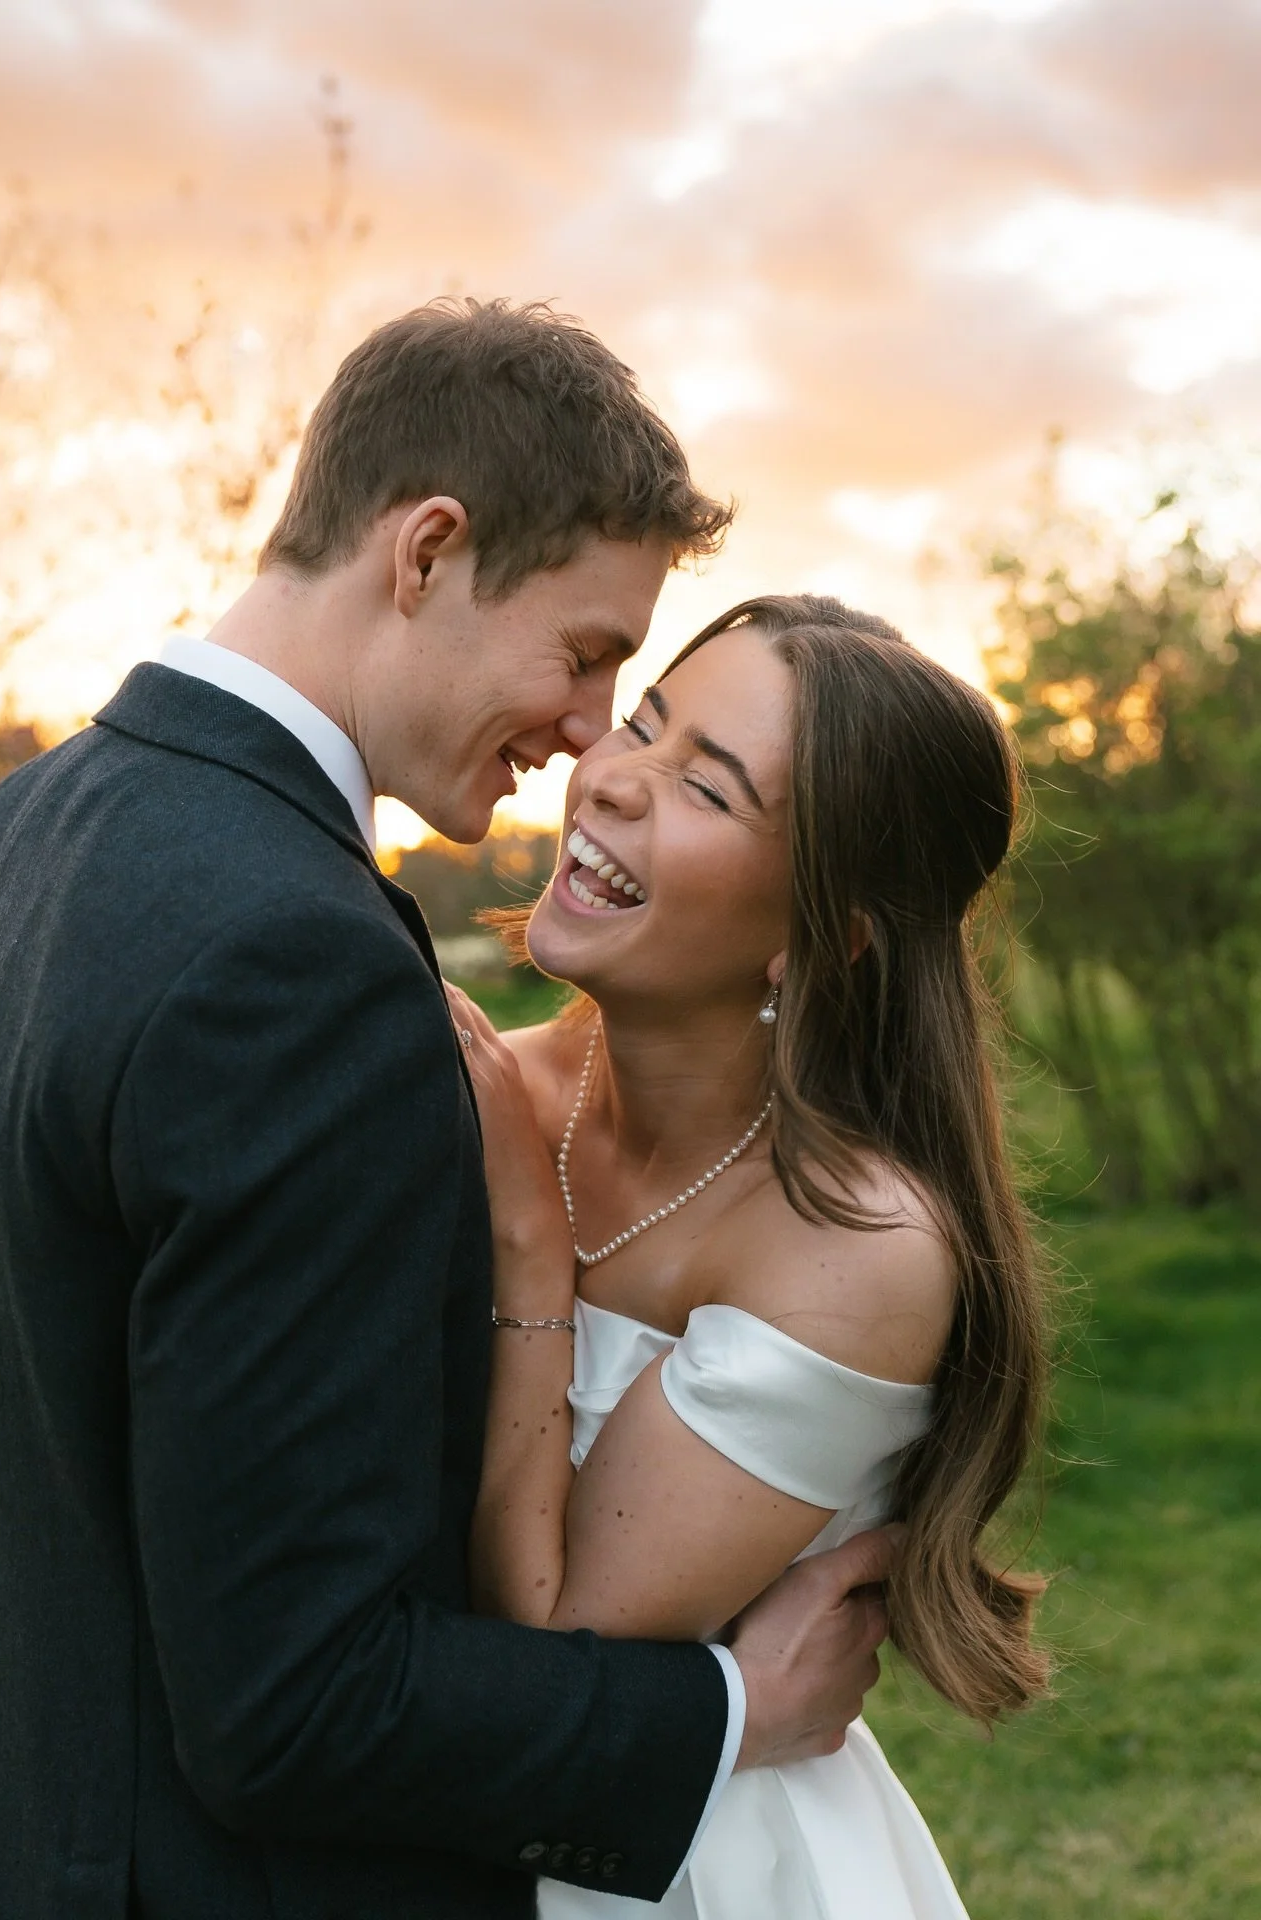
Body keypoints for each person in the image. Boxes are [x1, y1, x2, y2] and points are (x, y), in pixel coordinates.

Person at [0, 303, 903, 1920]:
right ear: (428, 550)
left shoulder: (20, 833)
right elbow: (296, 1705)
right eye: (587, 653)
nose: (589, 730)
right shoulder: (293, 958)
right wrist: (724, 1714)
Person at [447, 593, 1052, 1919]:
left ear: (823, 934)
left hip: (695, 1872)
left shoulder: (854, 1249)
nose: (611, 780)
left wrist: (530, 1256)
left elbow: (558, 1640)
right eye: (645, 726)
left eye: (708, 789)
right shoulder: (482, 1090)